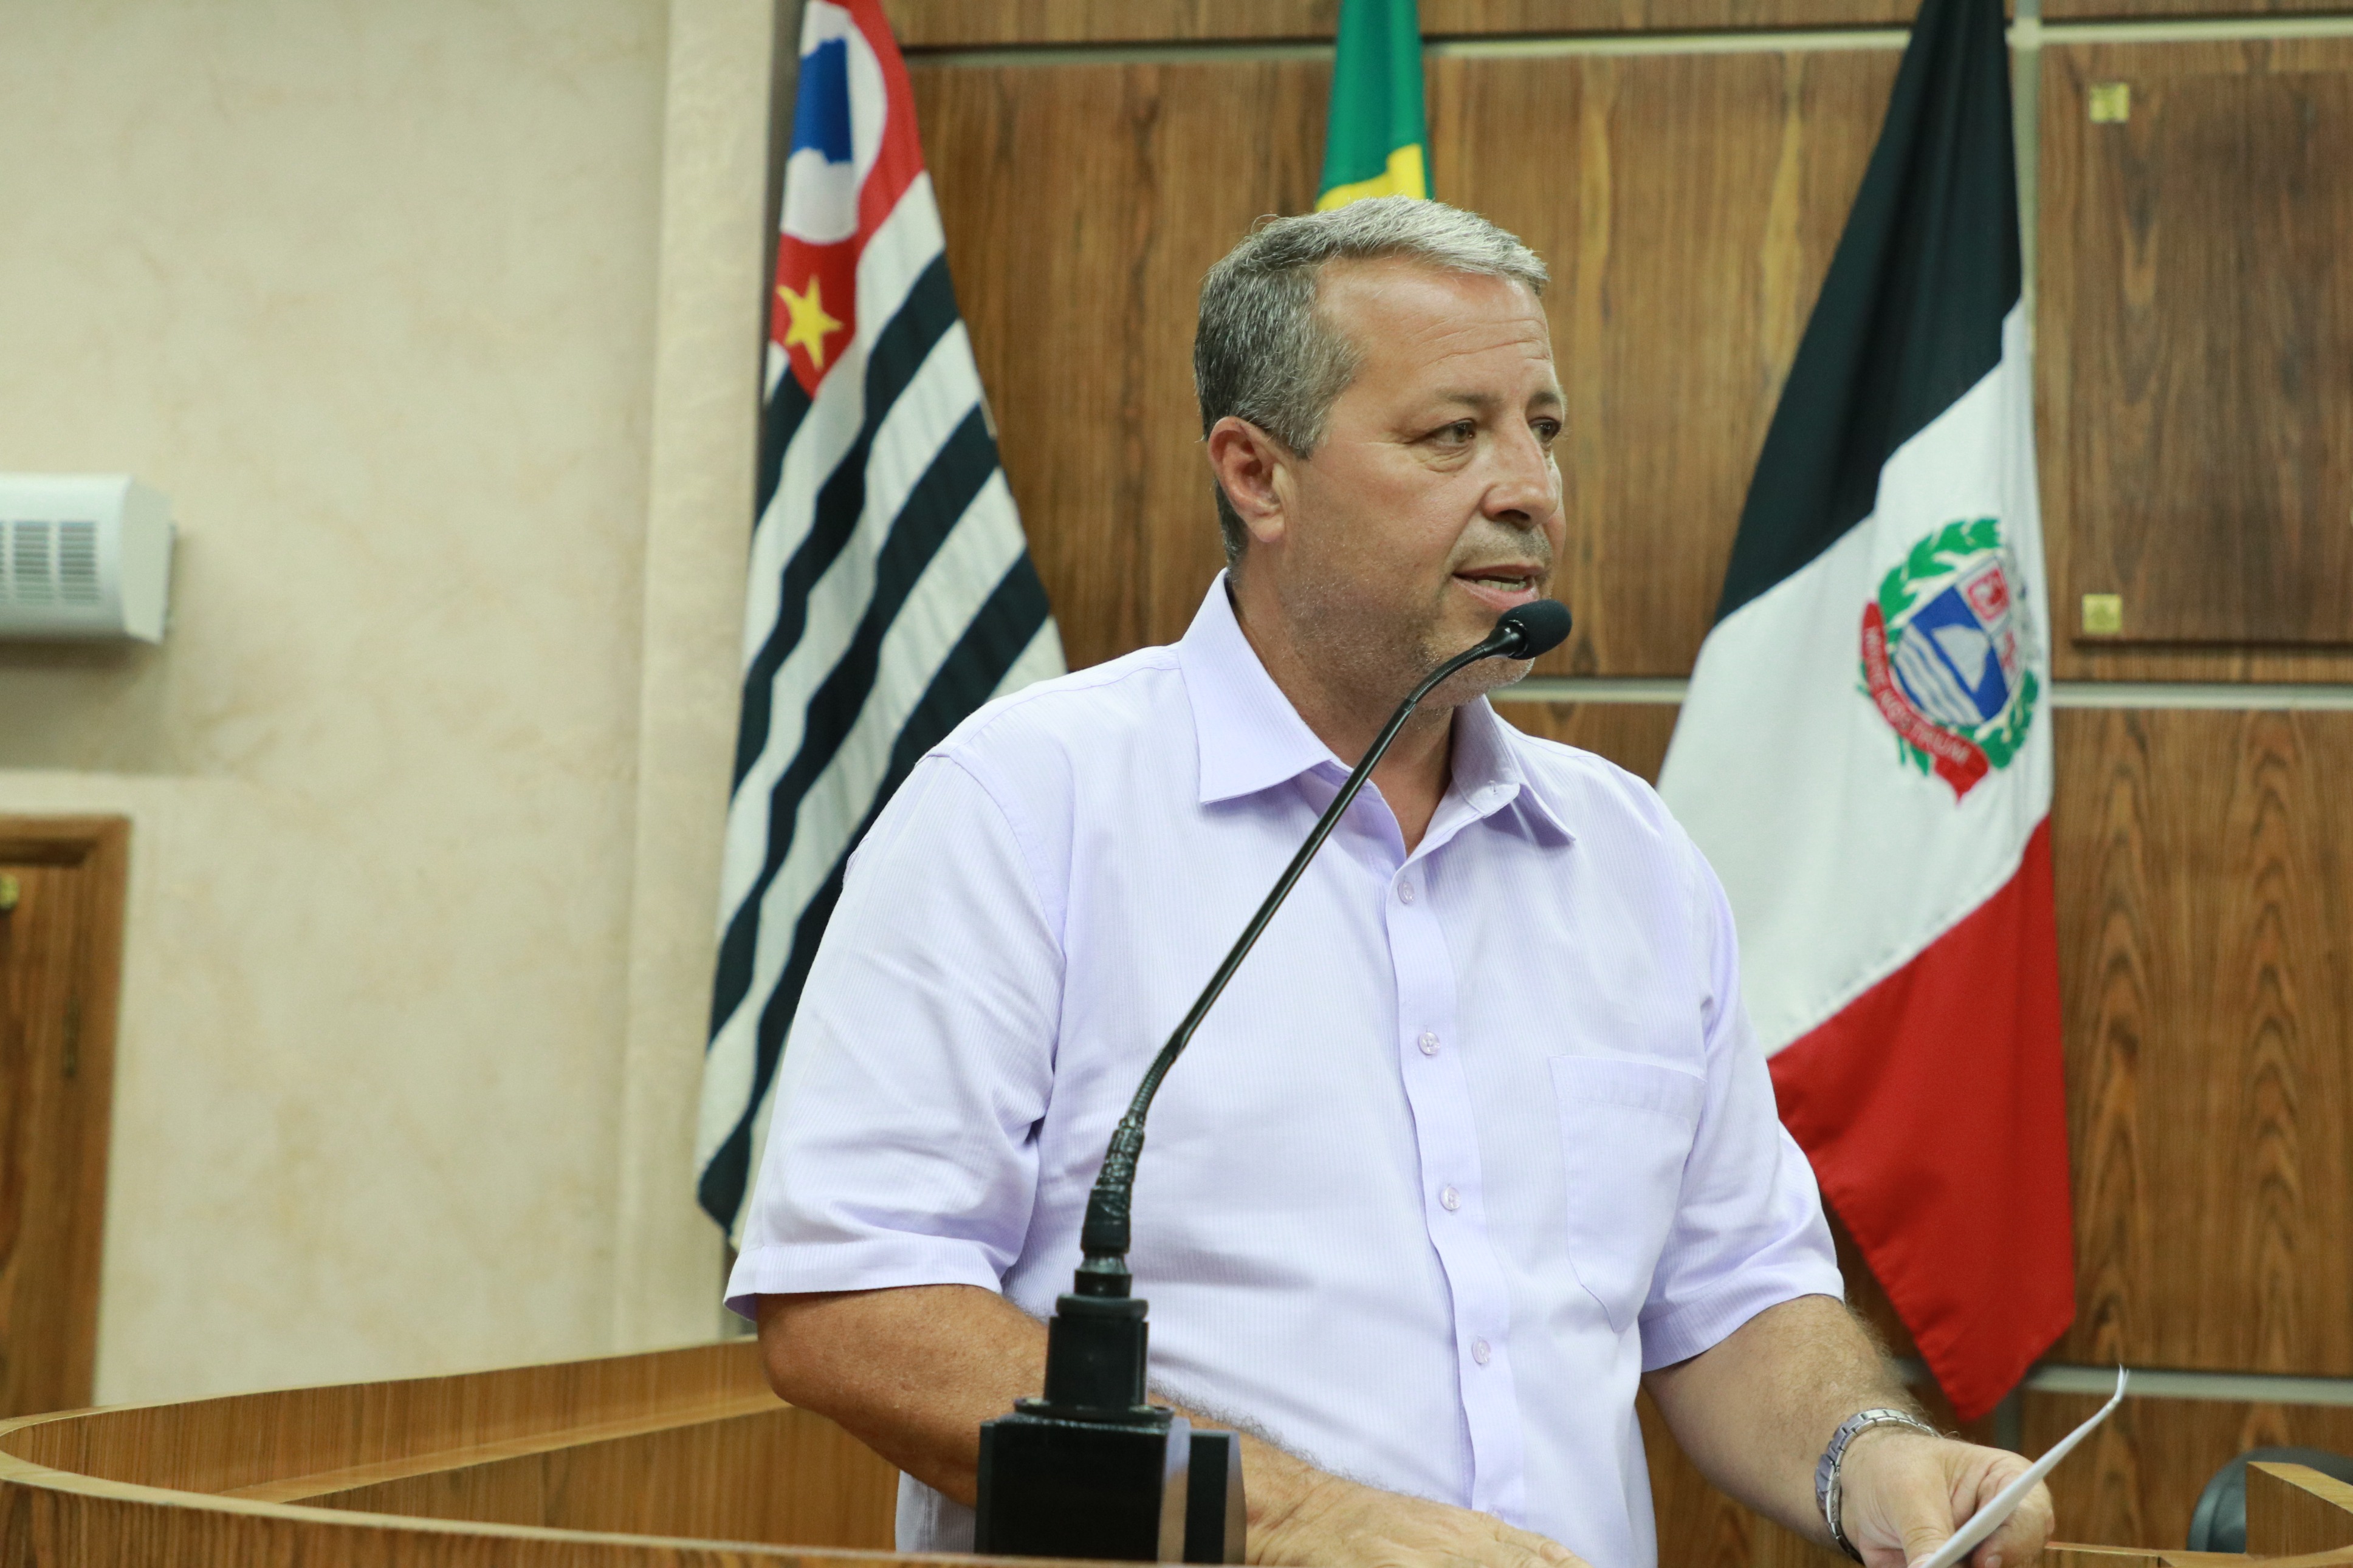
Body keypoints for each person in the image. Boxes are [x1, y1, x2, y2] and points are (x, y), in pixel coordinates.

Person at [724, 196, 2053, 1568]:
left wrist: (1867, 1456)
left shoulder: (1633, 857)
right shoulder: (1024, 807)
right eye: (1452, 434)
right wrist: (1299, 1520)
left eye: (1543, 429)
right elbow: (853, 1305)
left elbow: (1730, 1296)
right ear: (1257, 474)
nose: (1529, 488)